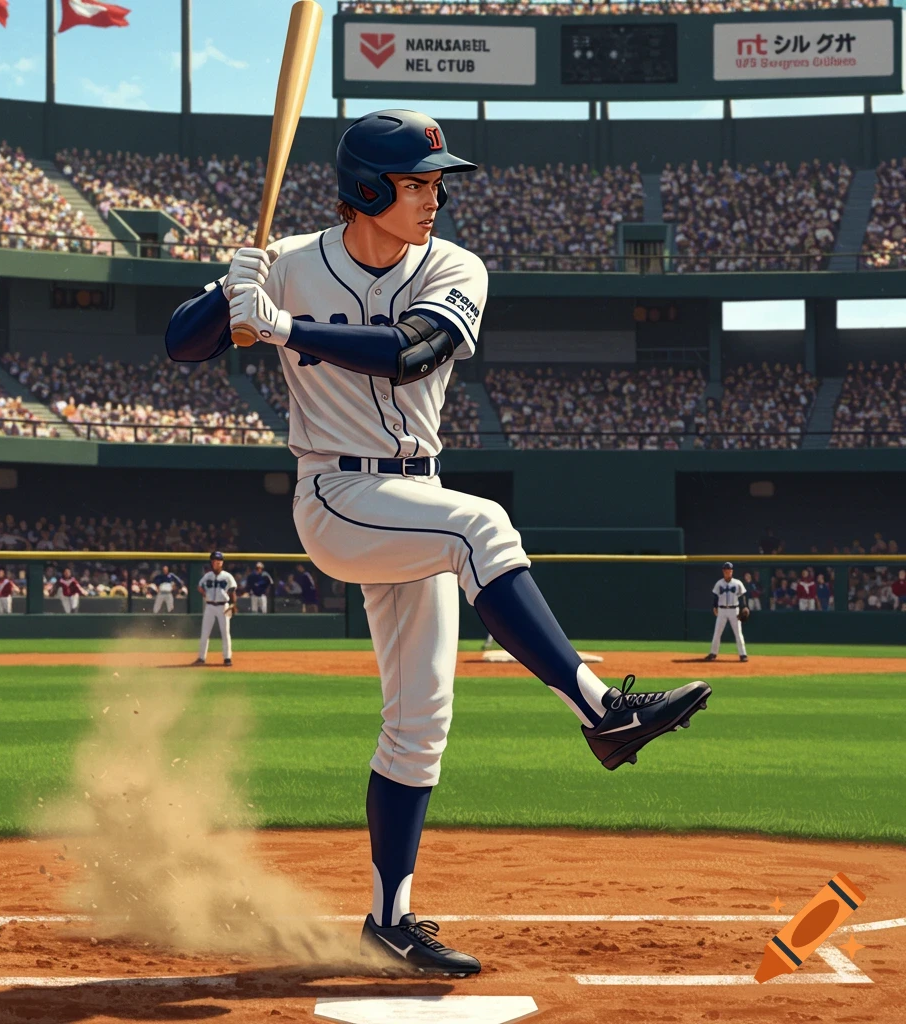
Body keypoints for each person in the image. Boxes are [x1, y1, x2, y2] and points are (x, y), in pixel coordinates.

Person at [165, 108, 711, 977]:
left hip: (413, 496)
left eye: (437, 184)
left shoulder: (456, 266)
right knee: (480, 524)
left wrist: (281, 327)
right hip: (337, 495)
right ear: (366, 190)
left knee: (419, 725)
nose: (436, 198)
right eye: (418, 184)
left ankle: (388, 921)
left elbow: (412, 351)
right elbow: (179, 345)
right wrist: (226, 294)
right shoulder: (290, 264)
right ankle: (602, 712)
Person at [194, 551, 237, 666]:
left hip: (223, 606)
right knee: (205, 633)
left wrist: (233, 604)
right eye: (214, 561)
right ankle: (201, 658)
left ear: (222, 562)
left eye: (218, 561)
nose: (216, 563)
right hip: (210, 606)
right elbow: (199, 586)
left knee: (225, 633)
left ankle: (227, 658)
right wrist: (204, 594)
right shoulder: (207, 576)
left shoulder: (227, 576)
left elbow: (233, 589)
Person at [705, 561, 748, 662]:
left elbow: (742, 596)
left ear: (732, 571)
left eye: (729, 569)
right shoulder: (719, 583)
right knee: (717, 632)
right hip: (722, 610)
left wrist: (744, 607)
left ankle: (743, 654)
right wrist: (715, 607)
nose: (727, 571)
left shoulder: (737, 583)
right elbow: (715, 596)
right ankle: (713, 653)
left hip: (734, 610)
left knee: (738, 633)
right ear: (723, 571)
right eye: (725, 569)